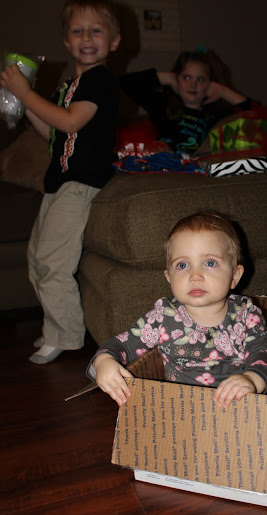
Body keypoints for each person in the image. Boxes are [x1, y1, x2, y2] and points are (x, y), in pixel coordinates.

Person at [0, 0, 121, 364]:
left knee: (54, 260)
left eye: (96, 31)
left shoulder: (99, 81)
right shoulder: (71, 85)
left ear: (114, 41)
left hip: (81, 184)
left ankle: (65, 335)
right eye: (77, 32)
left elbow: (70, 122)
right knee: (37, 258)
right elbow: (55, 131)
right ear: (67, 42)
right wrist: (24, 103)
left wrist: (26, 94)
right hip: (59, 182)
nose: (86, 38)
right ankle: (56, 326)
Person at [88, 211, 267, 408]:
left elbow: (265, 353)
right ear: (169, 277)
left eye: (210, 263)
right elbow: (124, 343)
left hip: (239, 407)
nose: (195, 275)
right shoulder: (163, 317)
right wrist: (103, 361)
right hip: (183, 410)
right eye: (182, 265)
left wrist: (251, 379)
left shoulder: (246, 314)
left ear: (234, 276)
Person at [120, 50, 252, 153]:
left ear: (211, 84)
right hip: (162, 167)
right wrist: (168, 78)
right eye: (186, 77)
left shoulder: (216, 115)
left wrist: (223, 91)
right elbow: (125, 83)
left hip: (196, 170)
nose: (192, 85)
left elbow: (255, 116)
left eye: (201, 79)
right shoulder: (162, 104)